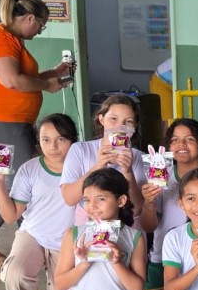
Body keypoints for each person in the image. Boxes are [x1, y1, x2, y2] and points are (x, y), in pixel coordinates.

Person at [0, 0, 71, 267]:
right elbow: (11, 80)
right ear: (29, 18)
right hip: (2, 123)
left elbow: (24, 78)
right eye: (41, 25)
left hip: (5, 123)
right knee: (16, 185)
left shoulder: (10, 40)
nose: (38, 31)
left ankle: (19, 239)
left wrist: (53, 73)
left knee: (9, 182)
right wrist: (47, 85)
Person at [0, 113, 78, 290]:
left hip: (65, 242)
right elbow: (11, 215)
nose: (53, 146)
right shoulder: (30, 169)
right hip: (34, 235)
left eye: (60, 139)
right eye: (46, 139)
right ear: (39, 141)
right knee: (15, 274)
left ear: (73, 140)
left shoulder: (82, 168)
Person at [139, 118, 198, 290]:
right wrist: (149, 202)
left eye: (189, 139)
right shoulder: (160, 177)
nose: (181, 145)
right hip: (163, 257)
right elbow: (148, 226)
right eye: (175, 140)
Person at [60, 94, 145, 224]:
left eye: (128, 121)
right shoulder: (80, 150)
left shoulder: (139, 158)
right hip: (88, 227)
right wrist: (98, 166)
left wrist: (128, 172)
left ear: (134, 126)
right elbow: (69, 199)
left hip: (126, 228)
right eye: (113, 119)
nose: (120, 127)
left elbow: (137, 209)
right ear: (101, 119)